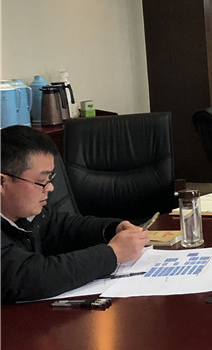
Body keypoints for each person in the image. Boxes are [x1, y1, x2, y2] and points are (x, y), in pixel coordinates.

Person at [1, 126, 150, 303]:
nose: (50, 188)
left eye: (50, 179)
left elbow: (66, 227)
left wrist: (113, 229)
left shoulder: (24, 215)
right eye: (41, 181)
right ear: (2, 182)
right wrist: (113, 253)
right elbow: (34, 276)